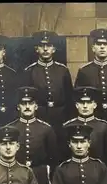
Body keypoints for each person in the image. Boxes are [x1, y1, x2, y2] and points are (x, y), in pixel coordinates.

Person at [22, 31, 74, 161]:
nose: (45, 49)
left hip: (60, 117)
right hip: (40, 115)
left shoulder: (63, 70)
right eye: (42, 46)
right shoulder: (29, 71)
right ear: (36, 49)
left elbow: (70, 97)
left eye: (49, 46)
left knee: (61, 149)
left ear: (54, 49)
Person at [5, 86, 58, 184]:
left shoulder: (46, 129)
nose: (27, 107)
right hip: (16, 174)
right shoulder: (11, 129)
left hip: (40, 175)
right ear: (19, 107)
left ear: (36, 106)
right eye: (24, 104)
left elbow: (53, 158)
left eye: (30, 103)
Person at [74, 28, 107, 130]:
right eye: (99, 44)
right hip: (94, 116)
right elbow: (78, 96)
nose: (102, 47)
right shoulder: (84, 71)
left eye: (105, 44)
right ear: (93, 48)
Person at [63, 86, 107, 178]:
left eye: (89, 102)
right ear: (76, 105)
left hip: (99, 174)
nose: (85, 106)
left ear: (94, 105)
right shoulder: (67, 126)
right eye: (82, 103)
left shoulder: (104, 126)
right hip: (73, 175)